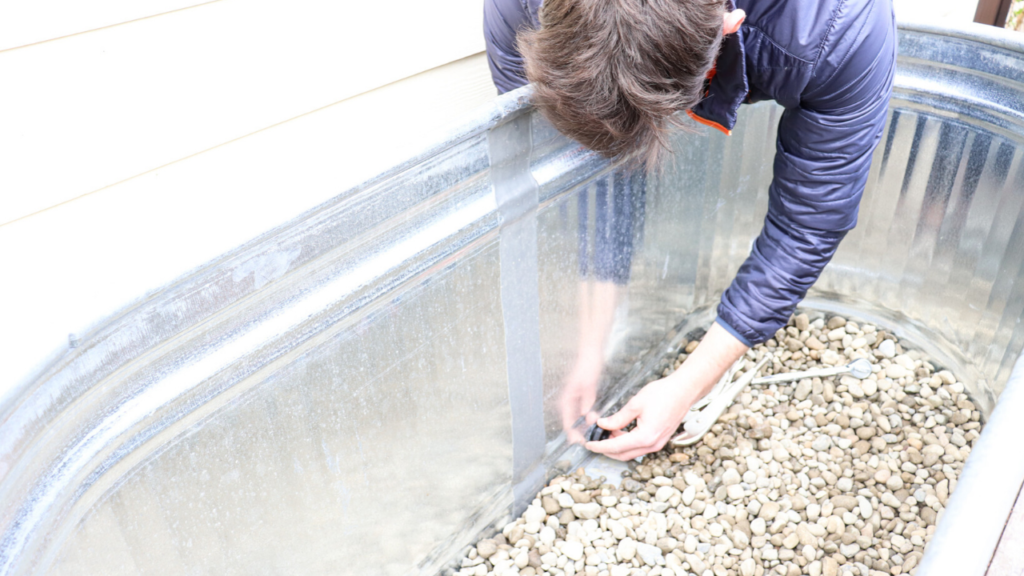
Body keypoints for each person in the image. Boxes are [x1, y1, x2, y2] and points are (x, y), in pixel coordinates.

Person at [484, 0, 896, 460]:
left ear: (728, 26)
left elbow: (810, 221)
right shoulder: (516, 10)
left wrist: (690, 383)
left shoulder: (839, 25)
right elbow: (585, 172)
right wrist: (589, 347)